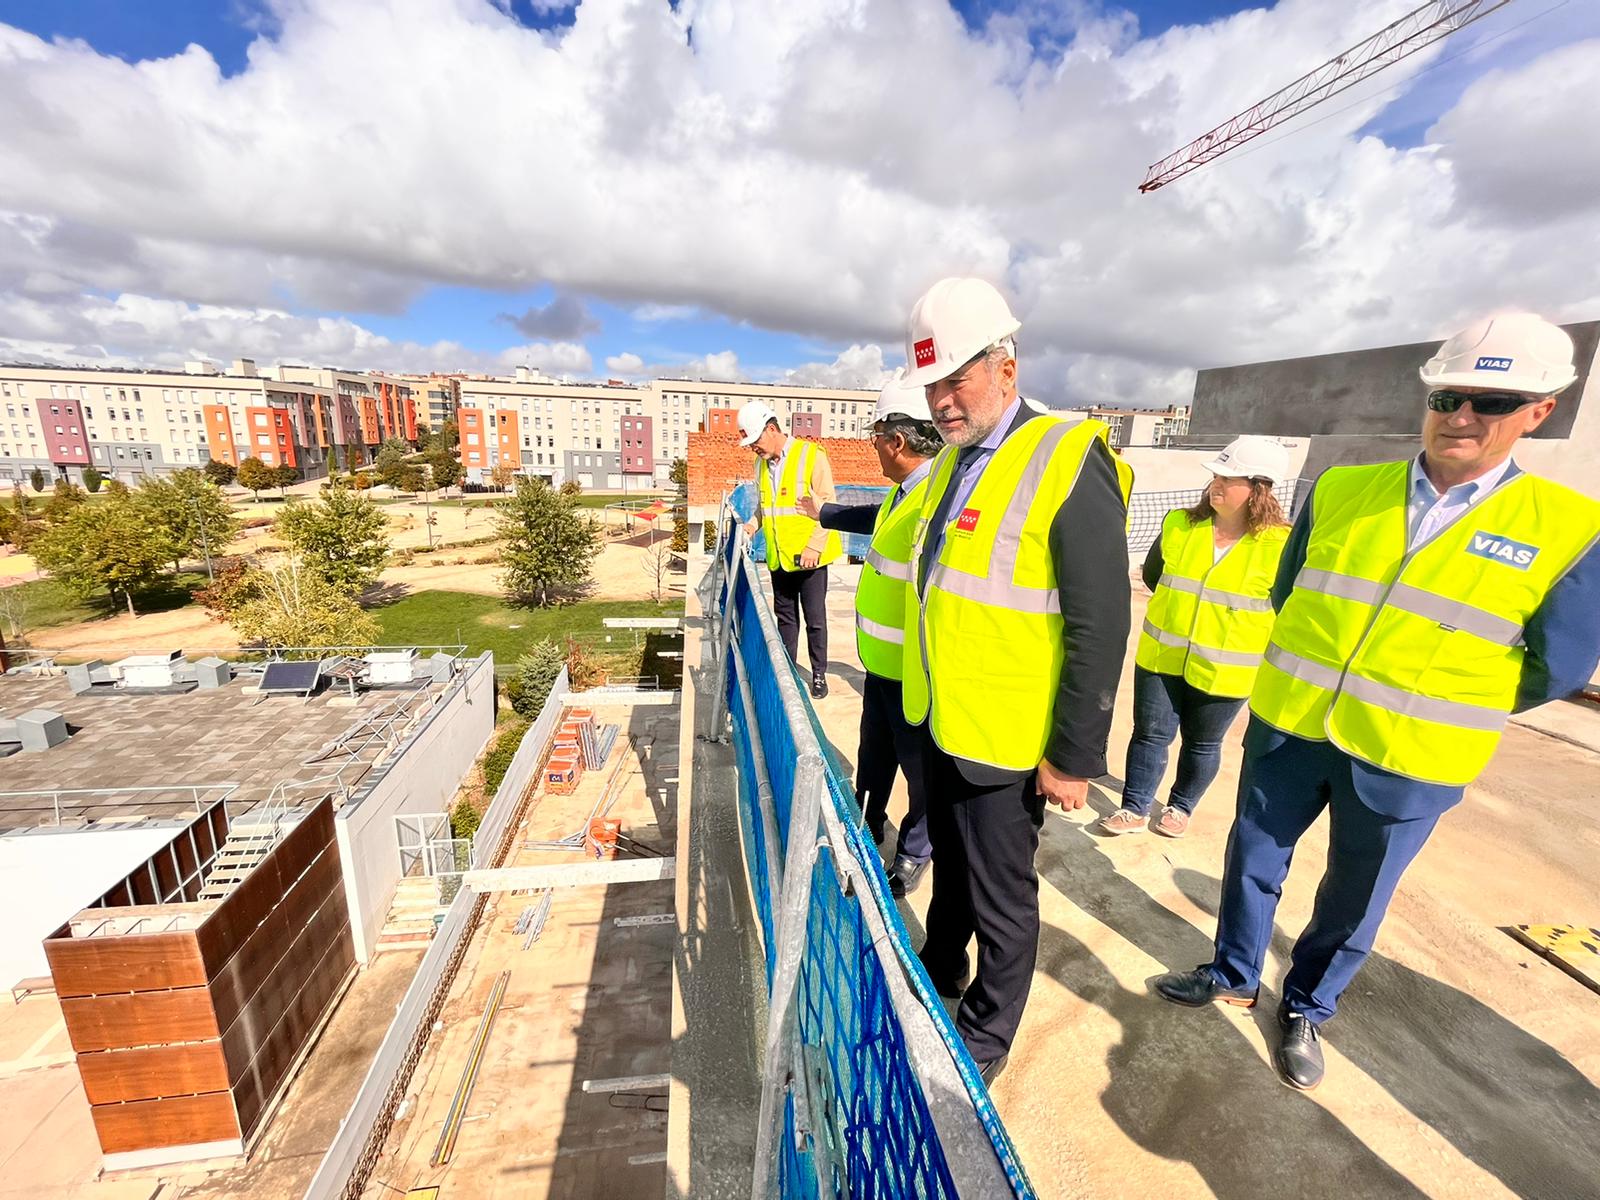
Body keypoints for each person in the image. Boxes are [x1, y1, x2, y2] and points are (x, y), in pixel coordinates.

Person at [1154, 313, 1600, 1091]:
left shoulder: (1571, 528)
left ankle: (1306, 1008)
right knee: (1252, 861)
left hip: (1411, 754)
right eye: (1448, 394)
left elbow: (1557, 667)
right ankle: (1231, 973)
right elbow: (1294, 591)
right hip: (1292, 727)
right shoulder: (1340, 490)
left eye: (1491, 402)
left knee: (1355, 899)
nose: (1461, 415)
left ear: (1540, 411)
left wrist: (1444, 696)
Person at [899, 277, 1134, 1082]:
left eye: (955, 379)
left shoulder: (1068, 454)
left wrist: (1073, 755)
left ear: (1006, 364)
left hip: (1007, 736)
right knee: (954, 879)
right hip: (944, 720)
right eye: (931, 385)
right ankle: (940, 970)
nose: (940, 401)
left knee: (1002, 900)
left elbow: (1101, 623)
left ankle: (986, 1040)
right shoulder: (955, 462)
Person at [1096, 435, 1291, 839]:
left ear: (1260, 487)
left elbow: (1286, 604)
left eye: (1228, 478)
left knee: (1202, 745)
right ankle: (1133, 807)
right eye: (1215, 476)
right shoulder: (1180, 525)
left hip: (1226, 670)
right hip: (1161, 656)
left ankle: (1180, 807)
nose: (1215, 485)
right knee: (1150, 733)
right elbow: (1152, 576)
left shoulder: (1281, 545)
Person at [797, 369, 939, 896]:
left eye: (875, 435)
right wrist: (827, 512)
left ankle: (914, 851)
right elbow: (878, 517)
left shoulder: (933, 500)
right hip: (881, 666)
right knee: (874, 756)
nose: (872, 445)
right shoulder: (908, 493)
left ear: (897, 441)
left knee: (919, 773)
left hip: (913, 672)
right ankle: (869, 820)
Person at [739, 401, 841, 698]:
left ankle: (819, 674)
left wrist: (813, 547)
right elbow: (765, 507)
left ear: (771, 430)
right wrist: (751, 525)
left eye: (755, 441)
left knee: (814, 620)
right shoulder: (760, 464)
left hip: (810, 558)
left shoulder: (811, 455)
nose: (753, 448)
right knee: (785, 619)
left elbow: (828, 506)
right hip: (779, 557)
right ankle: (787, 673)